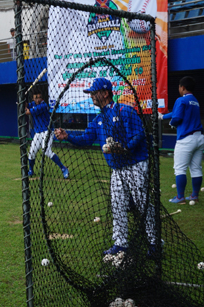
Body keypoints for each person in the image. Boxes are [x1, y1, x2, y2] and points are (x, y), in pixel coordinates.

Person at [54, 78, 156, 255]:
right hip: (117, 169)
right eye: (91, 93)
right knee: (117, 204)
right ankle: (121, 243)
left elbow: (139, 135)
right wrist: (67, 136)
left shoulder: (125, 111)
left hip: (136, 164)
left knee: (142, 203)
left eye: (94, 92)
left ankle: (155, 242)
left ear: (105, 93)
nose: (91, 96)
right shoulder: (98, 119)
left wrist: (124, 148)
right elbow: (85, 139)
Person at [161, 76, 204, 204]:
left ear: (183, 87)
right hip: (199, 138)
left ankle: (180, 197)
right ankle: (194, 196)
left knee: (180, 169)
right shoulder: (195, 100)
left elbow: (176, 117)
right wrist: (163, 116)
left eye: (179, 87)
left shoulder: (180, 100)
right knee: (196, 168)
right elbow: (176, 113)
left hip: (186, 139)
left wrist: (172, 122)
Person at [25, 90, 69, 179]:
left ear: (42, 98)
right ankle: (31, 170)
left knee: (46, 151)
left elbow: (27, 112)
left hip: (47, 131)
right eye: (35, 98)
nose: (37, 100)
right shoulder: (32, 104)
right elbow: (26, 106)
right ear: (33, 98)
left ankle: (63, 168)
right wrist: (22, 100)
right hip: (38, 133)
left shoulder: (43, 106)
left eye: (39, 97)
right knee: (31, 153)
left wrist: (24, 106)